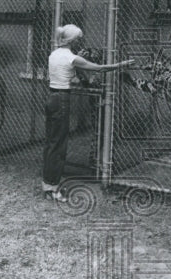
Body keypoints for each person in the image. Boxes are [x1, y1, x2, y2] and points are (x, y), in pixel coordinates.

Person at [43, 24, 134, 202]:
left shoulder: (54, 54)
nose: (81, 42)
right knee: (59, 145)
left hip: (51, 97)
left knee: (51, 143)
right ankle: (53, 189)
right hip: (62, 99)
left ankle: (48, 184)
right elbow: (100, 68)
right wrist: (120, 65)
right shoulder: (72, 57)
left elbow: (78, 74)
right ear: (73, 40)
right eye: (79, 39)